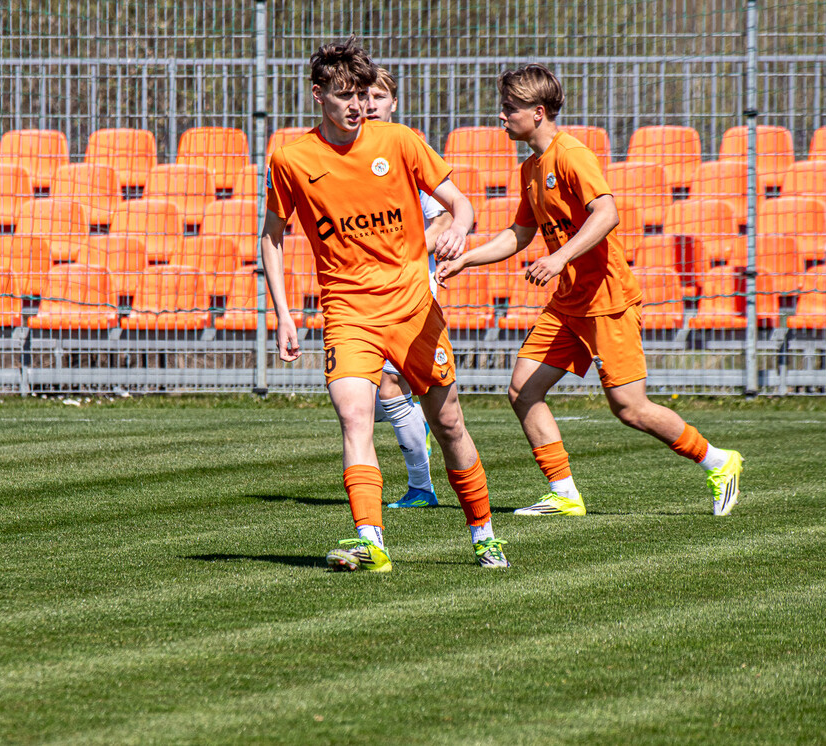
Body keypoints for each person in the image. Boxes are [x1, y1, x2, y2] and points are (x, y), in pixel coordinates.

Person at [435, 63, 743, 517]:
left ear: (538, 112)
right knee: (522, 391)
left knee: (630, 408)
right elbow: (518, 235)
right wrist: (464, 259)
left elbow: (607, 213)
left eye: (509, 108)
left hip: (607, 300)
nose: (502, 117)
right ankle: (564, 493)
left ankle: (719, 462)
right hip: (568, 303)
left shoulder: (572, 155)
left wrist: (559, 257)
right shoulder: (531, 168)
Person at [260, 37, 510, 571]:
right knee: (355, 419)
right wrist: (282, 312)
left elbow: (461, 205)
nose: (356, 105)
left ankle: (485, 535)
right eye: (343, 94)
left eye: (361, 94)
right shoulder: (291, 160)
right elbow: (272, 237)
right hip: (348, 311)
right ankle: (372, 542)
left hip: (413, 308)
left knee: (449, 425)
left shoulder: (399, 141)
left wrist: (458, 229)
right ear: (318, 95)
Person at [365, 66, 453, 510]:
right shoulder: (345, 152)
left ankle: (421, 486)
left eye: (379, 96)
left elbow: (444, 214)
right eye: (364, 95)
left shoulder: (405, 146)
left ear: (393, 103)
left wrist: (417, 251)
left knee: (391, 387)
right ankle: (420, 468)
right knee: (373, 394)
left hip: (415, 287)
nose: (371, 104)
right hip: (364, 293)